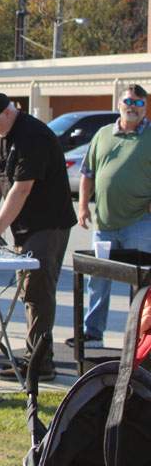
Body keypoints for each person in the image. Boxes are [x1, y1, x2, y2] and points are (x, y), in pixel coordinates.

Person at [0, 92, 76, 382]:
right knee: (27, 291)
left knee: (38, 290)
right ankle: (35, 356)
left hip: (47, 225)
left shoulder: (33, 136)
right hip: (25, 225)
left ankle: (41, 363)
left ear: (7, 113)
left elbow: (21, 189)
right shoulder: (3, 134)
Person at [70, 85, 151, 351]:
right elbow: (87, 173)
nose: (133, 107)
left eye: (139, 102)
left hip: (139, 222)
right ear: (119, 104)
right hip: (104, 224)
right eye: (128, 101)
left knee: (140, 285)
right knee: (97, 280)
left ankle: (138, 341)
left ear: (145, 106)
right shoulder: (103, 135)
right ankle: (92, 334)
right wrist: (83, 206)